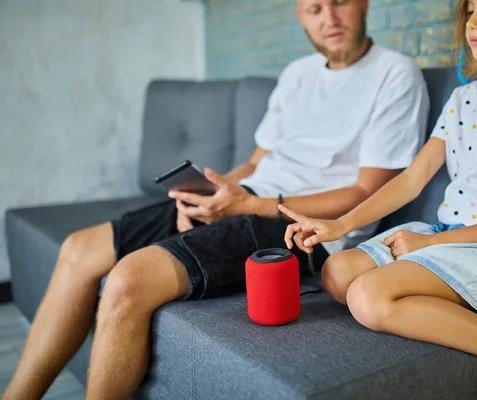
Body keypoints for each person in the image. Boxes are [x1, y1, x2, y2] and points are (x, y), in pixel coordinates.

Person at [2, 1, 429, 399]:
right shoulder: (297, 74)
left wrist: (250, 205)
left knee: (128, 280)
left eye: (340, 2)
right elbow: (258, 162)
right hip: (249, 201)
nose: (329, 18)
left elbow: (365, 193)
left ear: (365, 3)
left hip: (304, 229)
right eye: (314, 8)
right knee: (79, 248)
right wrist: (213, 193)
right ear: (300, 14)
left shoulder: (395, 75)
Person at [278, 0, 477, 398]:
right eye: (470, 11)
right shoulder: (464, 99)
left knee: (367, 295)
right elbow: (411, 180)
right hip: (448, 236)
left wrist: (429, 244)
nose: (472, 23)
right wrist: (340, 225)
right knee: (336, 271)